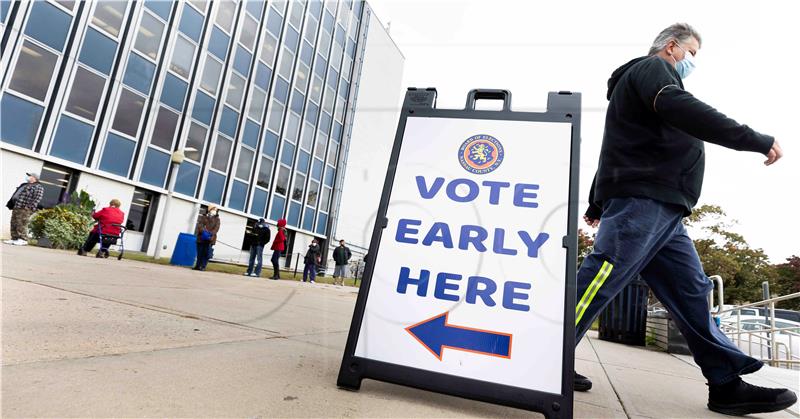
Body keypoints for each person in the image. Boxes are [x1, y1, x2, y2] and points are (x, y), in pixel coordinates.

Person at [574, 23, 794, 415]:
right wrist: (752, 138)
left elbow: (618, 145)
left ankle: (725, 385)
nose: (693, 62)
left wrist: (596, 202)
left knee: (692, 293)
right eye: (692, 53)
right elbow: (679, 108)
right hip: (644, 198)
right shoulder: (651, 70)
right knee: (602, 276)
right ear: (672, 47)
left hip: (666, 211)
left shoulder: (644, 86)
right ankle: (541, 356)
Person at [4, 172, 45, 246]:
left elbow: (37, 199)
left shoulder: (38, 187)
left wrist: (29, 207)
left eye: (30, 176)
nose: (28, 177)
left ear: (34, 178)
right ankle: (14, 238)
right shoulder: (25, 185)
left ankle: (23, 239)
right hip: (17, 206)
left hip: (25, 208)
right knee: (14, 222)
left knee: (21, 223)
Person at [193, 205, 220, 271]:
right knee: (200, 253)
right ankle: (198, 265)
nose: (215, 210)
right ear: (209, 209)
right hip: (201, 237)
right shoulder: (203, 216)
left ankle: (203, 266)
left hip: (210, 239)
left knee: (206, 253)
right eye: (213, 209)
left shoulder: (217, 219)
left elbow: (216, 228)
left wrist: (210, 233)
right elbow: (200, 225)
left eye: (216, 210)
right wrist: (203, 231)